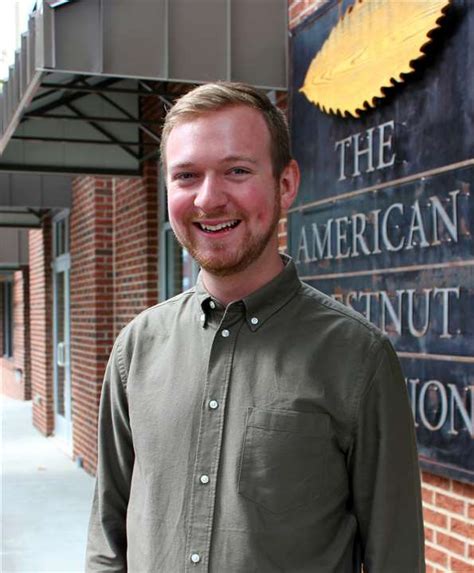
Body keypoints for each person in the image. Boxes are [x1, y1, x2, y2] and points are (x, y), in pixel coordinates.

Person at [86, 82, 425, 572]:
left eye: (236, 171)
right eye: (186, 176)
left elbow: (395, 558)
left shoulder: (358, 357)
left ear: (285, 184)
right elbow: (107, 538)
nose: (208, 198)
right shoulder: (136, 349)